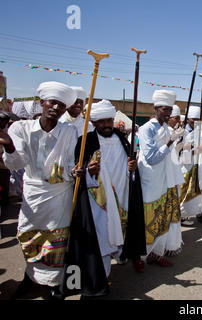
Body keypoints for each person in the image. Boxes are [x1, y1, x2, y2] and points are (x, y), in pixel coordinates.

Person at [1, 81, 79, 299]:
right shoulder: (20, 128)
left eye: (61, 105)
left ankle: (54, 283)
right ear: (42, 103)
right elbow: (17, 163)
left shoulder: (69, 132)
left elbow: (71, 164)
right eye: (52, 102)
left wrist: (76, 172)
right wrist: (8, 146)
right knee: (29, 237)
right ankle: (31, 277)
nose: (56, 108)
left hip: (59, 195)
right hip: (33, 194)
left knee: (56, 243)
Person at [61, 100, 147, 297]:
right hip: (98, 201)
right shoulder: (86, 141)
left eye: (109, 120)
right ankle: (100, 280)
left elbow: (130, 167)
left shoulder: (122, 138)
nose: (107, 125)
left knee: (120, 233)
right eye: (102, 121)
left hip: (123, 195)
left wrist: (131, 170)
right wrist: (88, 172)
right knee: (102, 239)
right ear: (95, 122)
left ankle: (121, 256)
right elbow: (78, 171)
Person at [138, 90, 185, 267]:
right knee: (148, 218)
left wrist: (177, 143)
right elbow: (151, 158)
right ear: (156, 108)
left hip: (165, 179)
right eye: (165, 109)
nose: (168, 113)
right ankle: (140, 256)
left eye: (170, 110)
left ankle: (156, 254)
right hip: (150, 180)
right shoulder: (146, 129)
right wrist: (170, 142)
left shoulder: (166, 128)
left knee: (161, 217)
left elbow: (168, 155)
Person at [179, 106, 202, 223]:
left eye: (197, 119)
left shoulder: (199, 132)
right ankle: (182, 216)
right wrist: (195, 151)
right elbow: (179, 152)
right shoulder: (181, 132)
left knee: (194, 191)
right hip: (184, 167)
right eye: (192, 119)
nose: (195, 122)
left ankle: (193, 212)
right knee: (183, 191)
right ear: (188, 118)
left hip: (196, 165)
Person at [0, 112, 11, 206]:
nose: (2, 123)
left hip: (4, 166)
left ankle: (5, 202)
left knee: (4, 186)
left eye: (4, 121)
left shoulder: (9, 132)